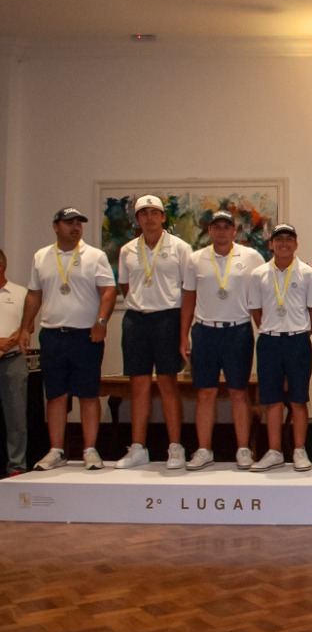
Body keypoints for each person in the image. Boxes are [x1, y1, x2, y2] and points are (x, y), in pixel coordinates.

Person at [18, 207, 117, 471]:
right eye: (69, 223)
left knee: (88, 394)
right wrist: (25, 327)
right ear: (55, 226)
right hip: (52, 334)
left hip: (86, 335)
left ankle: (90, 449)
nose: (75, 227)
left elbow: (108, 291)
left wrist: (101, 322)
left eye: (79, 223)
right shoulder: (41, 256)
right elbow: (34, 295)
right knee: (56, 395)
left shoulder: (95, 256)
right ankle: (56, 450)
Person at [180, 209, 265, 470]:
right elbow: (188, 299)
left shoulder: (251, 257)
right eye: (216, 226)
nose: (221, 231)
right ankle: (204, 449)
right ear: (210, 231)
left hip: (238, 330)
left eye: (226, 227)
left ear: (234, 231)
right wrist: (183, 335)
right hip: (205, 331)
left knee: (239, 393)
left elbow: (268, 287)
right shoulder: (195, 259)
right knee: (205, 393)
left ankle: (243, 450)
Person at [113, 195, 193, 471]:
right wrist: (142, 305)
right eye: (143, 213)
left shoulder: (180, 248)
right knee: (139, 385)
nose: (149, 217)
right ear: (137, 220)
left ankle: (175, 447)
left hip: (168, 318)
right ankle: (138, 448)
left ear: (163, 217)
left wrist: (183, 330)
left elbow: (188, 290)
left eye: (154, 212)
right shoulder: (127, 251)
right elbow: (126, 287)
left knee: (168, 384)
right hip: (136, 320)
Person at [246, 224, 312, 472]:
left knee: (299, 400)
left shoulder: (307, 274)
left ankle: (299, 450)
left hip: (298, 340)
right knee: (272, 400)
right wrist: (271, 328)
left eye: (289, 239)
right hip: (269, 340)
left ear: (296, 244)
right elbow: (256, 311)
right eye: (279, 240)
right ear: (271, 244)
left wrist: (300, 332)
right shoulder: (258, 274)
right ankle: (274, 451)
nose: (284, 244)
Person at [0, 249, 31, 475]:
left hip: (13, 359)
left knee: (16, 416)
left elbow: (27, 327)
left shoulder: (21, 293)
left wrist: (6, 343)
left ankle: (16, 466)